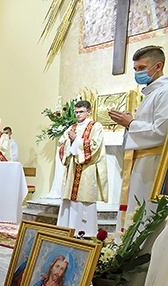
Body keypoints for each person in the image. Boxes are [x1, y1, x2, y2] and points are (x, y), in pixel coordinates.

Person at [108, 46, 168, 226]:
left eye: (141, 68)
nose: (137, 73)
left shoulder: (164, 92)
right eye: (135, 69)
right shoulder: (151, 93)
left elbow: (161, 131)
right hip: (141, 163)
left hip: (153, 165)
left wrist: (131, 124)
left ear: (158, 66)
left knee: (145, 212)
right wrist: (130, 124)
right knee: (135, 211)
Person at [56, 101, 108, 236]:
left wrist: (76, 140)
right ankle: (67, 229)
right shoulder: (71, 127)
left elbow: (95, 146)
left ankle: (86, 231)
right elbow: (61, 143)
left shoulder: (96, 126)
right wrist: (70, 142)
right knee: (70, 200)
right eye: (76, 112)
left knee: (84, 200)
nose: (78, 115)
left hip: (86, 169)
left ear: (88, 112)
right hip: (73, 169)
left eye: (81, 112)